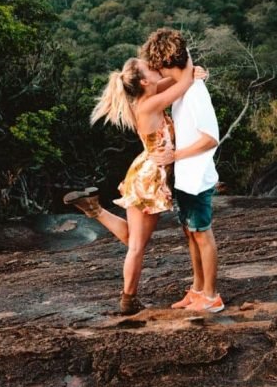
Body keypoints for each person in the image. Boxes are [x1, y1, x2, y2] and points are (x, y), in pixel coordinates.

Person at [63, 55, 204, 315]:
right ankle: (128, 299)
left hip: (146, 171)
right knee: (136, 245)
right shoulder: (149, 104)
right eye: (150, 68)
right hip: (148, 179)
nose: (155, 67)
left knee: (135, 239)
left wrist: (194, 72)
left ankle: (94, 210)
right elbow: (182, 82)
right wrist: (186, 60)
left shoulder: (149, 94)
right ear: (142, 81)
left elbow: (178, 78)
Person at [141, 28, 224, 314]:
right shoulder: (182, 87)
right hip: (185, 175)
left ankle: (212, 296)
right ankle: (198, 289)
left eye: (156, 64)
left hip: (197, 175)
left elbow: (211, 137)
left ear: (164, 61)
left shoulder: (195, 92)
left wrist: (175, 154)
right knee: (190, 233)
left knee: (202, 233)